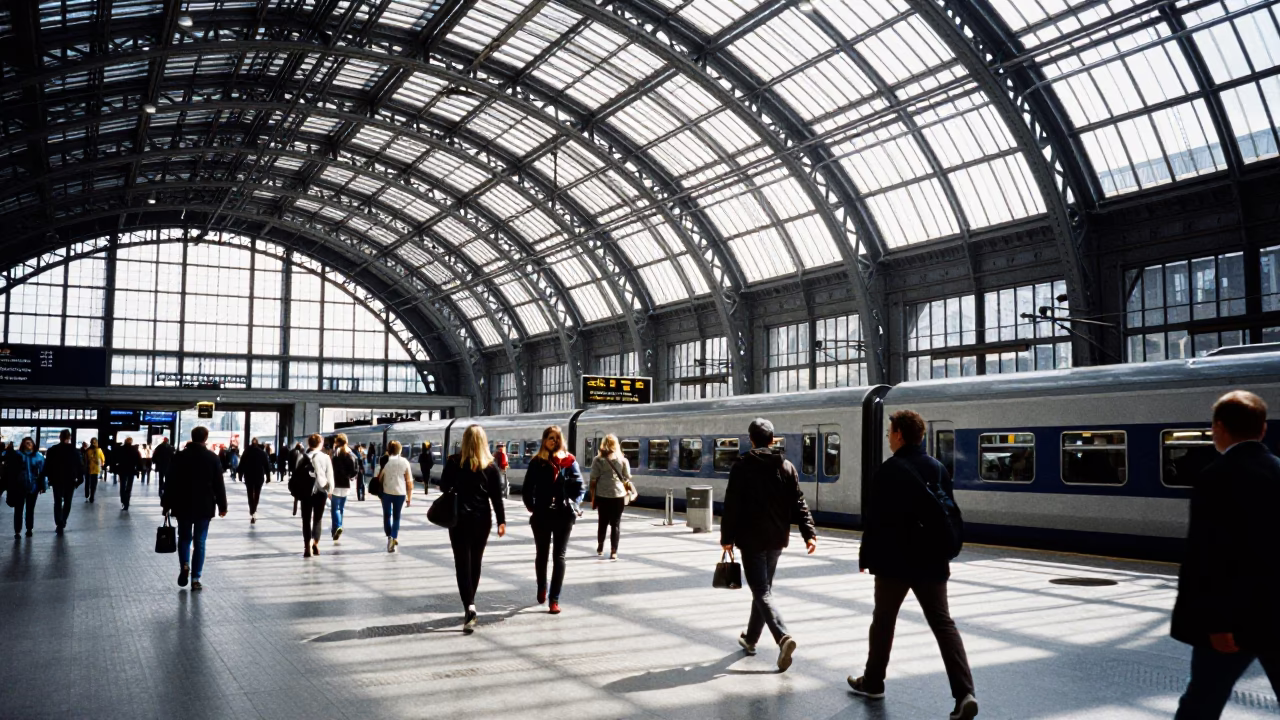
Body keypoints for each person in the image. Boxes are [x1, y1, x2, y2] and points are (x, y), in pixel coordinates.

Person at [849, 409, 977, 720]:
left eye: (890, 431)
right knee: (943, 624)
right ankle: (964, 694)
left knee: (884, 621)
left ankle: (874, 682)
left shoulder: (888, 470)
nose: (888, 437)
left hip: (895, 562)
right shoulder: (936, 468)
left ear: (900, 435)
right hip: (932, 560)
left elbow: (875, 521)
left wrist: (866, 557)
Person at [1172, 390, 1280, 719]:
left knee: (1203, 699)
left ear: (1218, 428)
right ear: (1262, 429)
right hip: (1278, 614)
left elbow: (1207, 557)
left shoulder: (1215, 477)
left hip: (1232, 619)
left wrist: (1215, 623)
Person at [720, 418, 816, 673]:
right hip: (776, 539)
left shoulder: (742, 466)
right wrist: (809, 533)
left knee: (761, 590)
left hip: (751, 539)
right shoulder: (786, 466)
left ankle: (783, 637)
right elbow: (799, 502)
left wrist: (727, 538)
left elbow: (732, 505)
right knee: (763, 590)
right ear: (773, 439)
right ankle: (751, 638)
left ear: (751, 439)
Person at [439, 425, 507, 632]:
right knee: (475, 561)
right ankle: (472, 602)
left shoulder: (453, 462)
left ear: (465, 441)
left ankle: (469, 605)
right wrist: (501, 522)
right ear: (484, 442)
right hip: (481, 520)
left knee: (462, 563)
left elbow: (443, 486)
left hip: (459, 519)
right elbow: (497, 498)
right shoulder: (491, 466)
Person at [522, 425, 584, 615]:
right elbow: (526, 489)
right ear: (544, 440)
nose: (554, 441)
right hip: (541, 514)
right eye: (550, 438)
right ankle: (542, 586)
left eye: (557, 438)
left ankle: (554, 599)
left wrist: (575, 504)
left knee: (560, 556)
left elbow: (580, 486)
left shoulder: (569, 461)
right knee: (542, 554)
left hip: (563, 514)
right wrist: (532, 507)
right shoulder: (537, 463)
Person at [161, 426, 227, 591]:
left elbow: (170, 482)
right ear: (205, 438)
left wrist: (166, 504)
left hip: (182, 505)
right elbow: (219, 484)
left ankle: (184, 565)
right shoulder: (212, 458)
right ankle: (196, 578)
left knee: (184, 539)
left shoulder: (179, 457)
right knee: (200, 541)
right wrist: (222, 506)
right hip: (204, 505)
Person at [291, 434, 334, 558]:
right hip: (320, 492)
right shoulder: (325, 457)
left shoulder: (302, 457)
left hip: (305, 491)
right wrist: (330, 491)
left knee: (306, 519)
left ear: (309, 444)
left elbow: (296, 475)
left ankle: (306, 546)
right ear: (320, 444)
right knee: (317, 519)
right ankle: (315, 543)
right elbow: (329, 476)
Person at [589, 434, 631, 561]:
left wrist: (592, 493)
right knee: (616, 524)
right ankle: (614, 551)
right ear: (616, 445)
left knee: (602, 522)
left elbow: (593, 477)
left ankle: (600, 547)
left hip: (602, 495)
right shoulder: (622, 460)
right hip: (618, 495)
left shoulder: (598, 460)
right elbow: (627, 476)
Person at [44, 430, 84, 536]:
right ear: (69, 437)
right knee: (67, 501)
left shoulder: (53, 450)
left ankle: (58, 521)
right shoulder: (74, 451)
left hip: (57, 479)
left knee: (57, 501)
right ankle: (63, 520)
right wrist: (80, 479)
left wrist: (49, 478)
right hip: (70, 480)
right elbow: (80, 465)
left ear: (59, 437)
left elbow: (47, 465)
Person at [377, 441, 413, 553]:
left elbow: (379, 478)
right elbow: (409, 481)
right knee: (396, 517)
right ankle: (394, 536)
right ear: (400, 450)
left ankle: (389, 536)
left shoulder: (386, 462)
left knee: (387, 516)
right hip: (400, 493)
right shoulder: (405, 462)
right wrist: (409, 497)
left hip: (386, 493)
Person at [8, 437, 45, 539]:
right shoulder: (37, 457)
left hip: (30, 485)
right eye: (26, 443)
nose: (28, 444)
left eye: (30, 443)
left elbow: (42, 472)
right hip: (24, 486)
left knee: (27, 509)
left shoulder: (19, 456)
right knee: (22, 509)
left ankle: (25, 529)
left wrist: (42, 485)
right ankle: (21, 530)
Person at [329, 434, 358, 542]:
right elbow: (356, 467)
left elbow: (331, 469)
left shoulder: (335, 453)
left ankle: (337, 527)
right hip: (346, 485)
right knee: (341, 508)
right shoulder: (351, 453)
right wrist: (350, 476)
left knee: (335, 509)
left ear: (337, 442)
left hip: (336, 484)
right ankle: (339, 526)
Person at [240, 438, 271, 524]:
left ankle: (251, 509)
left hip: (249, 476)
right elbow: (266, 466)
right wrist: (268, 477)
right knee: (257, 494)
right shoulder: (262, 453)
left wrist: (240, 474)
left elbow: (242, 463)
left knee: (250, 494)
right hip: (259, 476)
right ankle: (254, 509)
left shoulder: (247, 452)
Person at [115, 437, 142, 512]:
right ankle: (127, 501)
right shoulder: (134, 450)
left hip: (122, 469)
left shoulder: (120, 449)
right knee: (129, 486)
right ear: (131, 442)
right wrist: (139, 469)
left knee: (122, 486)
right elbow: (138, 460)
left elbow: (116, 458)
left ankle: (123, 501)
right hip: (131, 470)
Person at [84, 437, 105, 504]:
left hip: (88, 468)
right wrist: (101, 464)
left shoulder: (87, 450)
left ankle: (87, 494)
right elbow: (103, 459)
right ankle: (92, 497)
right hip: (95, 469)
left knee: (87, 482)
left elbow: (85, 460)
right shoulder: (99, 450)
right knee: (94, 484)